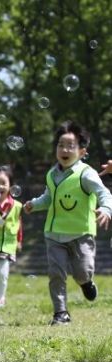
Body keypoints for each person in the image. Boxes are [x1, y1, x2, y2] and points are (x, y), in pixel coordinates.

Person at [24, 121, 112, 325]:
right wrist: (34, 204)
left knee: (82, 272)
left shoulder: (86, 174)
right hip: (54, 234)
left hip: (80, 233)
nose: (64, 150)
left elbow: (104, 193)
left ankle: (86, 282)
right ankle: (60, 313)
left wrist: (106, 209)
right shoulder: (51, 174)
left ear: (82, 152)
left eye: (70, 146)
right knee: (56, 274)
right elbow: (48, 197)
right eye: (60, 145)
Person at [0, 166, 23, 308]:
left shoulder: (17, 205)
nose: (0, 186)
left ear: (10, 186)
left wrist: (19, 240)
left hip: (7, 245)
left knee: (2, 274)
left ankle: (0, 299)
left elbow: (18, 223)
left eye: (3, 183)